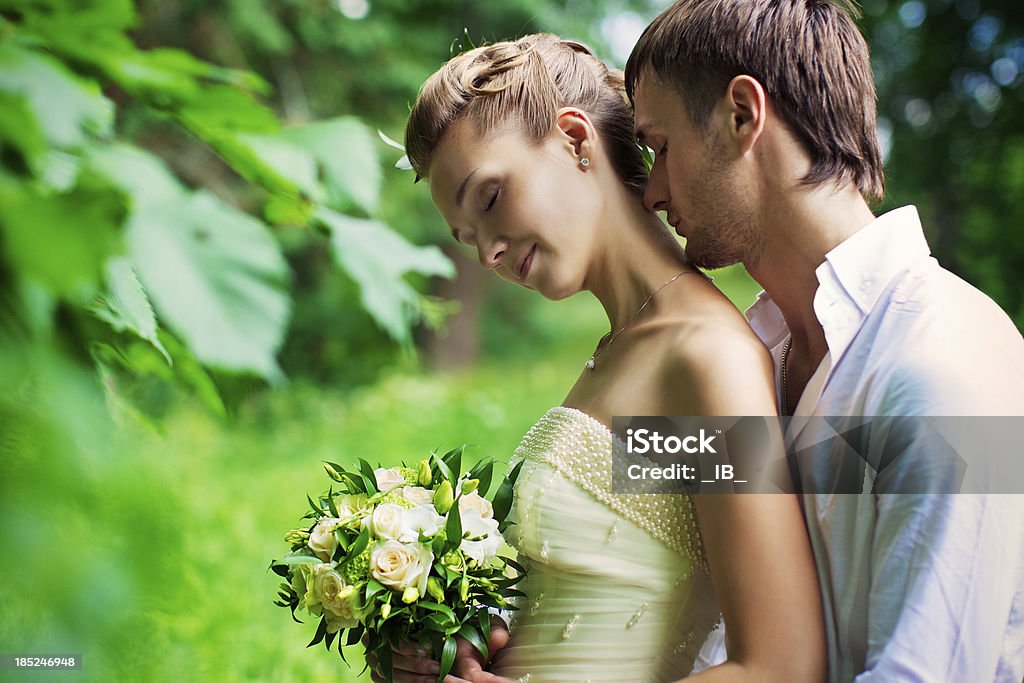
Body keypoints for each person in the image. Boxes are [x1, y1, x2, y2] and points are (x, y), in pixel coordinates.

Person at [374, 33, 826, 683]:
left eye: (491, 198)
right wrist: (457, 644)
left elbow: (781, 665)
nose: (488, 255)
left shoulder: (704, 358)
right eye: (468, 238)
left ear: (576, 141)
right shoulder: (618, 352)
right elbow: (623, 567)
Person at [623, 1, 1024, 681]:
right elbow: (612, 527)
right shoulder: (746, 352)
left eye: (660, 148)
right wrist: (485, 617)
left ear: (742, 115)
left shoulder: (942, 365)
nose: (654, 192)